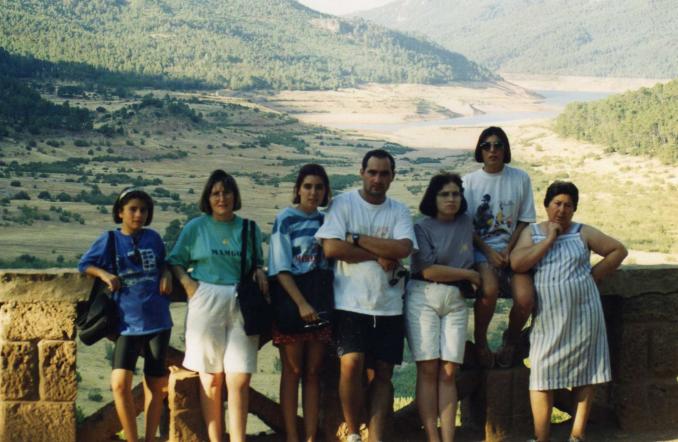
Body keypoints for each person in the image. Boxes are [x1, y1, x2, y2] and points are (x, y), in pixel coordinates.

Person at [510, 181, 627, 442]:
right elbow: (517, 264)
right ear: (546, 205)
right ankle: (542, 438)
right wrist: (550, 238)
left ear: (574, 209)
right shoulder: (532, 233)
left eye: (568, 205)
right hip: (548, 316)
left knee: (586, 372)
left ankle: (577, 435)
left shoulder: (582, 232)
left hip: (584, 312)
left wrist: (594, 276)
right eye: (557, 203)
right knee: (541, 373)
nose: (562, 210)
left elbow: (618, 250)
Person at [316, 149, 416, 442]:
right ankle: (352, 432)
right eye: (372, 172)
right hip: (350, 302)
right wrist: (378, 254)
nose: (377, 179)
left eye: (384, 173)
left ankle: (376, 436)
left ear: (392, 177)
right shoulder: (343, 204)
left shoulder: (399, 211)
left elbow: (403, 249)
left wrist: (357, 239)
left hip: (389, 304)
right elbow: (331, 248)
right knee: (351, 364)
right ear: (362, 172)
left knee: (384, 374)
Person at [168, 170, 268, 442]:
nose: (221, 198)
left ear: (235, 196)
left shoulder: (249, 228)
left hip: (241, 301)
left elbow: (255, 262)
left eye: (226, 192)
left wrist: (259, 270)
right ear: (208, 197)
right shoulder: (195, 227)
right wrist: (188, 285)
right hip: (206, 299)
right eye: (215, 193)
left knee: (239, 379)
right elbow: (175, 260)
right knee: (211, 379)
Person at [79, 188, 173, 442]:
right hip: (126, 323)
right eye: (133, 209)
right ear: (120, 212)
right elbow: (84, 264)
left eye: (143, 210)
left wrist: (166, 273)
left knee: (155, 386)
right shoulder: (109, 239)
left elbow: (164, 263)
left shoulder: (153, 238)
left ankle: (150, 438)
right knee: (120, 385)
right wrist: (104, 274)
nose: (138, 214)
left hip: (158, 322)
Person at [406, 173, 480, 442]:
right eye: (444, 194)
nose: (451, 199)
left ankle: (448, 438)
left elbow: (476, 242)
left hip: (455, 300)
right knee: (428, 369)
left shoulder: (466, 222)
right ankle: (432, 437)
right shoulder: (421, 228)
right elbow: (427, 269)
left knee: (449, 371)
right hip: (424, 296)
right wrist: (469, 275)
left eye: (455, 194)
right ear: (433, 198)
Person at [268, 164, 332, 442]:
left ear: (325, 191)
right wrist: (301, 303)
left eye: (318, 187)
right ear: (298, 189)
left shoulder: (327, 221)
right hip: (291, 299)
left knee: (314, 372)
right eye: (307, 186)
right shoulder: (285, 219)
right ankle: (292, 436)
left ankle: (310, 436)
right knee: (293, 371)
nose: (313, 192)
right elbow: (281, 268)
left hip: (319, 298)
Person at [463, 126, 536, 368]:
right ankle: (481, 342)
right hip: (481, 250)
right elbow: (465, 226)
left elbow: (525, 220)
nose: (492, 150)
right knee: (489, 290)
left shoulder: (520, 178)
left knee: (525, 299)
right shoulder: (469, 183)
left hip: (514, 251)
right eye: (487, 146)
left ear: (505, 149)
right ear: (480, 151)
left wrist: (509, 249)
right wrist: (488, 251)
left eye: (498, 145)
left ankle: (511, 340)